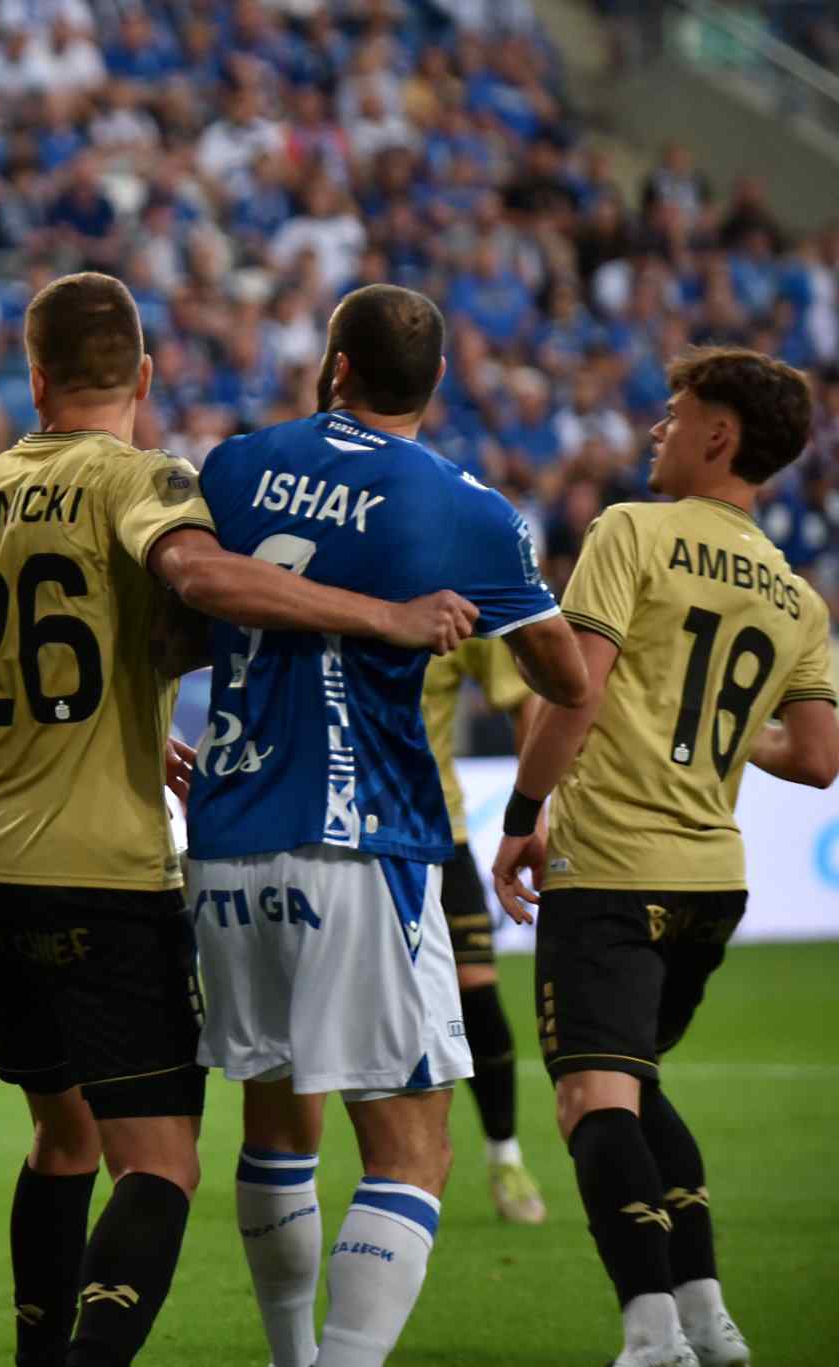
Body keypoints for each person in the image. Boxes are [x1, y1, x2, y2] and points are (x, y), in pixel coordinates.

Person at [0, 272, 486, 1367]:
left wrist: (116, 680)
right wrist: (384, 615)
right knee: (158, 1165)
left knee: (59, 1135)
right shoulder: (145, 477)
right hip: (101, 872)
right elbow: (199, 576)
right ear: (140, 374)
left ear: (32, 377)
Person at [185, 283, 588, 1367]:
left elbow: (173, 616)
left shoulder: (229, 463)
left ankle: (289, 1354)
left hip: (222, 837)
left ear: (334, 364)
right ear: (438, 383)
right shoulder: (462, 508)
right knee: (409, 1145)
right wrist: (524, 809)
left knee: (273, 1119)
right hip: (359, 838)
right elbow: (570, 675)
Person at [492, 347, 838, 1367]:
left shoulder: (628, 531)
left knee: (587, 1095)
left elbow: (575, 690)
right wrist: (718, 744)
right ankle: (705, 1318)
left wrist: (521, 807)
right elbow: (817, 757)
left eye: (674, 413)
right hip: (711, 880)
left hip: (608, 866)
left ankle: (648, 1335)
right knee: (632, 1083)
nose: (657, 428)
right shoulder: (792, 592)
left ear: (718, 435)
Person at [419, 638, 547, 1222]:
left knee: (475, 989)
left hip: (438, 831)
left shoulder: (450, 584)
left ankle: (505, 1154)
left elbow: (524, 696)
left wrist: (531, 812)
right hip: (340, 837)